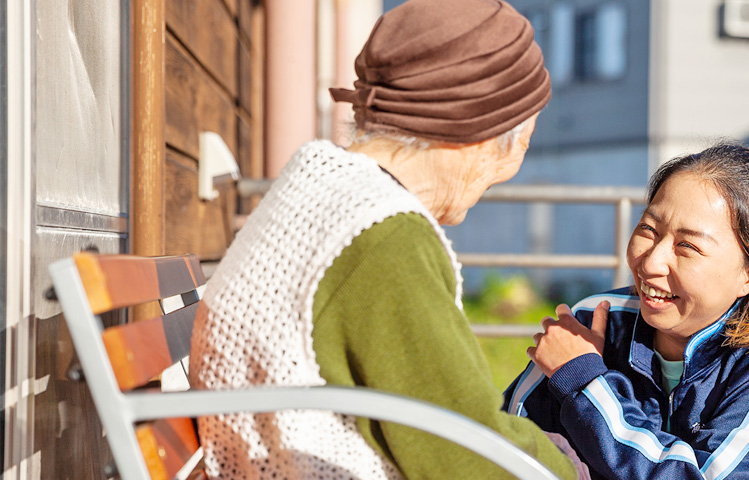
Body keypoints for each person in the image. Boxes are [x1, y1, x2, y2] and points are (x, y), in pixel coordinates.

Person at [189, 1, 579, 479]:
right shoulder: (383, 236)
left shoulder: (318, 183)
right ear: (477, 135)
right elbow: (463, 454)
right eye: (520, 143)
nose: (509, 171)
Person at [503, 143, 749, 479]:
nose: (651, 261)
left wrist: (585, 385)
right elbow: (505, 439)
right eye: (649, 230)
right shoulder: (592, 320)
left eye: (687, 246)